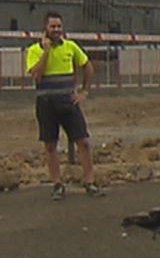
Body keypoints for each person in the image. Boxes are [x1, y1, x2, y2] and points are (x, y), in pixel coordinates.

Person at [25, 11, 104, 200]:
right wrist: (45, 51)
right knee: (50, 146)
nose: (56, 30)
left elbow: (87, 66)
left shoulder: (70, 47)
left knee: (83, 142)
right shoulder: (34, 50)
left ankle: (90, 182)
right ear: (45, 29)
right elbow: (36, 75)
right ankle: (57, 184)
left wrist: (84, 91)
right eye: (52, 27)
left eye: (59, 26)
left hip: (68, 103)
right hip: (46, 104)